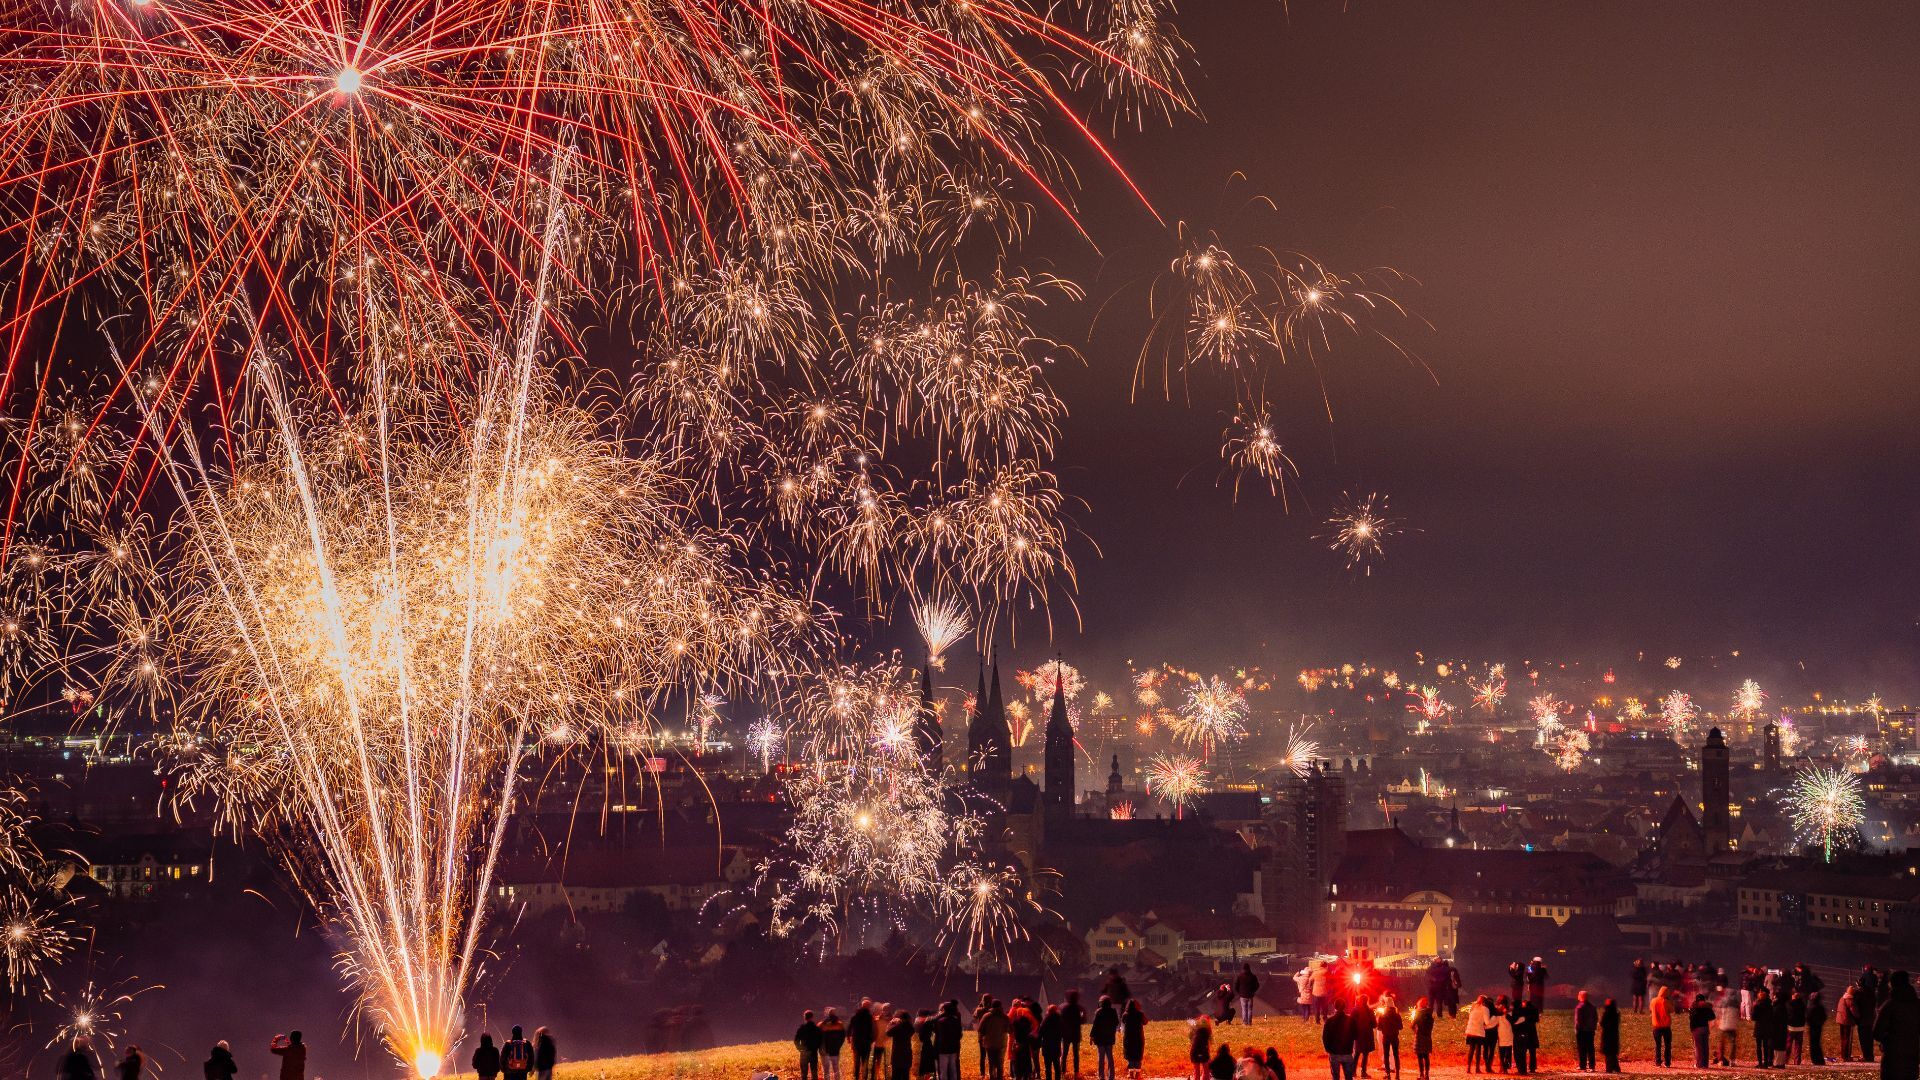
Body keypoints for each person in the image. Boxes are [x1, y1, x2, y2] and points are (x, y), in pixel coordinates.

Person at [1874, 971, 1920, 1080]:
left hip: (1892, 1056)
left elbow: (1877, 1032)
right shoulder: (1917, 1005)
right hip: (1911, 1055)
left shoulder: (1889, 1005)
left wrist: (1886, 1038)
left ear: (1893, 984)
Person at [1323, 1002, 1359, 1080]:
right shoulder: (1351, 1020)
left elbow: (1325, 1037)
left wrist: (1328, 1049)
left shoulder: (1329, 1021)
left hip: (1334, 1052)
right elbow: (1356, 1035)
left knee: (1335, 1076)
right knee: (1349, 1076)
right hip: (1347, 1052)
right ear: (1344, 1007)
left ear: (1334, 1007)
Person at [981, 999, 1011, 1080]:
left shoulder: (986, 1016)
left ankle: (992, 1077)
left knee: (991, 1063)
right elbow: (1010, 1030)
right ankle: (999, 1078)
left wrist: (985, 1034)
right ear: (1001, 1006)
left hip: (989, 1043)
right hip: (1001, 1043)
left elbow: (981, 1029)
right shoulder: (1005, 1017)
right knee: (1000, 1063)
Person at [1091, 996, 1120, 1080]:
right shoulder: (1113, 1011)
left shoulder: (1098, 1012)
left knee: (1101, 1058)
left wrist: (1092, 1036)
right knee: (1110, 1057)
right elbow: (1116, 1022)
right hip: (1109, 1038)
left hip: (1099, 1038)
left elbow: (1095, 1025)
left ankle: (1101, 1076)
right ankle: (1111, 1076)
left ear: (1101, 1003)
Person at [936, 1001, 964, 1080]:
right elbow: (959, 1034)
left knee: (943, 1071)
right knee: (953, 1070)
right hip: (953, 1048)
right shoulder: (955, 1020)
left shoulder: (940, 1021)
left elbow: (936, 1030)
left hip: (943, 1049)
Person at [1714, 984, 1741, 1067]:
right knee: (1733, 1043)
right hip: (1732, 1025)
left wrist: (1717, 1021)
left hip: (1723, 1025)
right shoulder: (1736, 1004)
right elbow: (1738, 1015)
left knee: (1721, 1043)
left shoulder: (1723, 1002)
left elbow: (1718, 1013)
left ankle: (1721, 1060)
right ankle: (1732, 1061)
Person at [1464, 995, 1491, 1074]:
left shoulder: (1472, 1007)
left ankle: (1468, 1068)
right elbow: (1487, 1022)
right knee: (1478, 1050)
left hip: (1470, 1031)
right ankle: (1477, 1068)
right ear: (1485, 1002)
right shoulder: (1485, 1009)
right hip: (1478, 1031)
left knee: (1471, 1049)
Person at [1377, 996, 1403, 1080]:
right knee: (1396, 1055)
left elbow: (1379, 1027)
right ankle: (1397, 1075)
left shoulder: (1382, 1015)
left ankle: (1388, 1074)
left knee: (1386, 1055)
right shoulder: (1397, 1014)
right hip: (1395, 1037)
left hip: (1386, 1037)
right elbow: (1400, 1027)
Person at [852, 1001, 879, 1080]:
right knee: (865, 1063)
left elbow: (852, 1029)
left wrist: (852, 1041)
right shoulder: (870, 1017)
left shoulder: (856, 1016)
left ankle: (856, 1077)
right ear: (868, 1007)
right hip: (866, 1044)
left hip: (857, 1043)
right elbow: (874, 1031)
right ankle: (864, 1078)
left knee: (857, 1063)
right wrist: (871, 1040)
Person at [1122, 1001, 1148, 1080]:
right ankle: (1137, 1075)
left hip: (1128, 1038)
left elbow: (1123, 1021)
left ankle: (1130, 1074)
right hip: (1138, 1038)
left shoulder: (1125, 1015)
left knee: (1130, 1056)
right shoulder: (1140, 1014)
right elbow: (1145, 1022)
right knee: (1138, 1056)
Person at [1064, 990, 1087, 1079]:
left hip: (1066, 1034)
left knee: (1065, 1053)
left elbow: (1061, 1020)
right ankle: (1076, 1072)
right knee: (1075, 1054)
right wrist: (1083, 1014)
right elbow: (1083, 1021)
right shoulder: (1079, 1008)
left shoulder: (1064, 1008)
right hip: (1075, 1034)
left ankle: (1063, 1070)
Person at [1511, 998, 1537, 1076]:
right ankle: (1532, 1067)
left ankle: (1522, 1069)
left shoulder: (1523, 1012)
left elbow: (1515, 1022)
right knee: (1532, 1052)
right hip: (1531, 1033)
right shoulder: (1533, 1011)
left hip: (1523, 1033)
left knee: (1521, 1052)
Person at [887, 1011, 916, 1080]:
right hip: (907, 1055)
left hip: (897, 1056)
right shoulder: (910, 1028)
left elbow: (888, 1033)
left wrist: (891, 1024)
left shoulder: (897, 1028)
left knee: (896, 1076)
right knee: (905, 1076)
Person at [795, 1012, 825, 1080]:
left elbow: (796, 1040)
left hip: (804, 1052)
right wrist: (817, 1048)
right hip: (813, 1052)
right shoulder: (816, 1028)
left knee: (804, 1073)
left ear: (805, 1017)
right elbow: (820, 1040)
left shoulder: (802, 1028)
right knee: (814, 1072)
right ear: (812, 1017)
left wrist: (800, 1048)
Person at [1574, 991, 1599, 1072]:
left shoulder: (1579, 1007)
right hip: (1590, 1030)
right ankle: (1592, 1066)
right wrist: (1593, 1027)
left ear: (1580, 996)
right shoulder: (1592, 1007)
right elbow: (1596, 1018)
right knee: (1590, 1048)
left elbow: (1578, 1020)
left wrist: (1577, 1029)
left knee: (1582, 1048)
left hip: (1581, 1031)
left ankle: (1582, 1065)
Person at [1864, 968, 1884, 1065]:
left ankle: (1868, 1056)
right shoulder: (1875, 979)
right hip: (1874, 1005)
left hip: (1867, 1017)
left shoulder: (1865, 978)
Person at [1351, 998, 1376, 1079]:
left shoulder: (1355, 1010)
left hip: (1358, 1034)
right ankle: (1363, 1072)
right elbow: (1374, 1024)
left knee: (1357, 1054)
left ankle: (1353, 1071)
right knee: (1365, 1054)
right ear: (1366, 1001)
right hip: (1367, 1035)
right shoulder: (1369, 1011)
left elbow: (1351, 1021)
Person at [1040, 1005, 1066, 1080]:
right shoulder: (1060, 1020)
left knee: (1048, 1068)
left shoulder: (1045, 1020)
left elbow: (1040, 1033)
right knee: (1057, 1067)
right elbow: (1063, 1032)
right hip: (1056, 1047)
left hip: (1047, 1047)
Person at [1651, 986, 1674, 1067]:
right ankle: (1667, 1062)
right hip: (1666, 1026)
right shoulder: (1666, 1001)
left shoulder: (1653, 1001)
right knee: (1667, 1045)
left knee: (1658, 1045)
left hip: (1656, 1026)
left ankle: (1658, 1062)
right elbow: (1672, 1010)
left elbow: (1651, 1009)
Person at [1689, 994, 1714, 1069]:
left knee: (1698, 1047)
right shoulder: (1706, 1007)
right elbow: (1712, 1016)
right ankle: (1705, 1064)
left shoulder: (1694, 1007)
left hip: (1696, 1029)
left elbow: (1692, 1019)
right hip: (1705, 1028)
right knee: (1705, 1047)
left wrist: (1692, 1028)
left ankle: (1699, 1064)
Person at [1410, 999, 1433, 1080]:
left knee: (1420, 1057)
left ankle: (1421, 1074)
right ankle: (1427, 1075)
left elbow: (1412, 1025)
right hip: (1427, 1037)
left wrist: (1415, 1030)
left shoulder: (1418, 1013)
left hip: (1419, 1036)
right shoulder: (1429, 1014)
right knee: (1426, 1056)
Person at [1752, 990, 1775, 1068]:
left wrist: (1754, 1008)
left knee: (1758, 1046)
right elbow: (1772, 1016)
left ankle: (1760, 1063)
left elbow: (1753, 1017)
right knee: (1766, 1046)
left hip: (1759, 1027)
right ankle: (1766, 1063)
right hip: (1767, 1027)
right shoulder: (1770, 1005)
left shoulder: (1757, 1006)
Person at [1601, 998, 1623, 1074]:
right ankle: (1616, 1068)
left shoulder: (1607, 1013)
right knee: (1612, 1053)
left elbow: (1602, 1023)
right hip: (1614, 1035)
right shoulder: (1616, 1013)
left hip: (1607, 1035)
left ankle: (1609, 1069)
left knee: (1608, 1053)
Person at [1189, 1014, 1214, 1080]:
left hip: (1194, 1051)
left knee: (1196, 1072)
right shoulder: (1208, 1030)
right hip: (1203, 1051)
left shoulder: (1195, 1027)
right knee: (1206, 1071)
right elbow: (1210, 1043)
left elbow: (1190, 1038)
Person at [1492, 998, 1514, 1074]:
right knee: (1503, 1052)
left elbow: (1512, 1021)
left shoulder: (1508, 1014)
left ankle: (1504, 1067)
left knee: (1505, 1053)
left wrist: (1506, 1014)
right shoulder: (1500, 1015)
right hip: (1503, 1035)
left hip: (1506, 1035)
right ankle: (1503, 1067)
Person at [1788, 992, 1809, 1065]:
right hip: (1800, 1027)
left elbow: (1788, 1015)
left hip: (1791, 1027)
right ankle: (1797, 1061)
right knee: (1798, 1045)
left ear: (1793, 996)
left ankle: (1785, 1060)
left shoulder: (1790, 1004)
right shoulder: (1803, 1005)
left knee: (1788, 1044)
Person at [1809, 990, 1829, 1066]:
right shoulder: (1820, 1007)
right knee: (1817, 1043)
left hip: (1813, 1027)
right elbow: (1824, 1016)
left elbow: (1809, 1017)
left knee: (1814, 1044)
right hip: (1818, 1027)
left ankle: (1816, 1059)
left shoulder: (1812, 1007)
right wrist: (1820, 1022)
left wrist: (1811, 1023)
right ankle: (1819, 1059)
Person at [1843, 986, 1863, 1062]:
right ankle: (1846, 1056)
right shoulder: (1850, 1000)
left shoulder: (1844, 997)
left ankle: (1844, 1055)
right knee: (1847, 1038)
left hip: (1842, 1019)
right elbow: (1854, 1012)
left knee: (1844, 1038)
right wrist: (1859, 1017)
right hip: (1847, 1020)